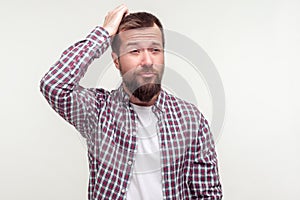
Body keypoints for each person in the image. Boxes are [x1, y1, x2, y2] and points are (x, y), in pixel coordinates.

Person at [40, 4, 223, 200]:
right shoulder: (98, 111)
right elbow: (54, 84)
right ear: (116, 60)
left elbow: (207, 194)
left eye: (155, 49)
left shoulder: (191, 119)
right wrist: (105, 33)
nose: (147, 61)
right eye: (134, 51)